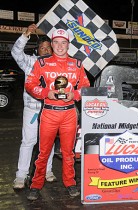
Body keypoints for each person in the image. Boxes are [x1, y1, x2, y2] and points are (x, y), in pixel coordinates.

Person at [25, 28, 90, 200]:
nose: (60, 46)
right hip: (49, 113)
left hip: (69, 114)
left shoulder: (77, 64)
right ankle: (36, 185)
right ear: (51, 44)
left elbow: (85, 86)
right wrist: (46, 92)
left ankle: (70, 183)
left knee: (68, 153)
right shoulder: (41, 63)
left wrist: (75, 95)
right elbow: (30, 84)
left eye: (63, 42)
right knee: (43, 152)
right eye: (56, 42)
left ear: (68, 44)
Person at [11, 24, 57, 189]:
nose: (45, 50)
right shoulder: (29, 62)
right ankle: (20, 176)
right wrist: (26, 34)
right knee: (28, 141)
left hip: (51, 110)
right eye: (42, 48)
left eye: (48, 48)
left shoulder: (57, 64)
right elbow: (16, 52)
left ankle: (48, 171)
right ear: (37, 51)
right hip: (32, 109)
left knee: (49, 142)